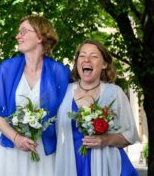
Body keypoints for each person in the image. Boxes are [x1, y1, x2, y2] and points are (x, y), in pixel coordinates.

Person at [0, 15, 71, 176]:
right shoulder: (7, 68)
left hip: (43, 152)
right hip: (9, 151)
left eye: (23, 32)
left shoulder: (60, 72)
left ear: (40, 36)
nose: (18, 36)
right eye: (18, 32)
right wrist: (16, 138)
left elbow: (67, 111)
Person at [55, 40, 140, 176]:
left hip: (107, 164)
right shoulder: (64, 92)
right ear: (77, 62)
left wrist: (106, 140)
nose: (87, 60)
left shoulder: (115, 92)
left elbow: (129, 135)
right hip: (71, 162)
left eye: (94, 56)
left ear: (104, 64)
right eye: (82, 56)